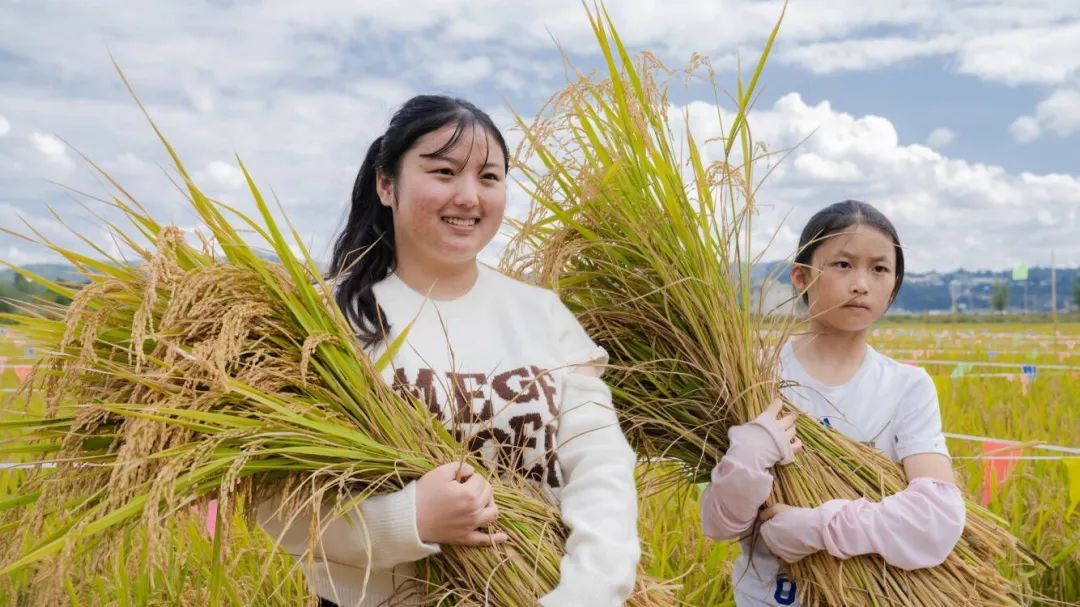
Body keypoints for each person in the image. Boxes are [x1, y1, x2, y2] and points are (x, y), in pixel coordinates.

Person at [257, 95, 639, 607]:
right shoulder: (325, 320)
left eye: (488, 177)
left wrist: (585, 594)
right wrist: (409, 518)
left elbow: (601, 467)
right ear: (386, 184)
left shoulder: (543, 315)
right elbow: (279, 502)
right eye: (443, 172)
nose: (468, 196)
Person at [699, 200, 966, 606]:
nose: (861, 283)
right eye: (843, 265)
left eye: (879, 269)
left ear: (892, 286)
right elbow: (720, 524)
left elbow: (938, 515)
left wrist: (820, 526)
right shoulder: (752, 375)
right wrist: (746, 457)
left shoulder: (907, 385)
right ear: (801, 277)